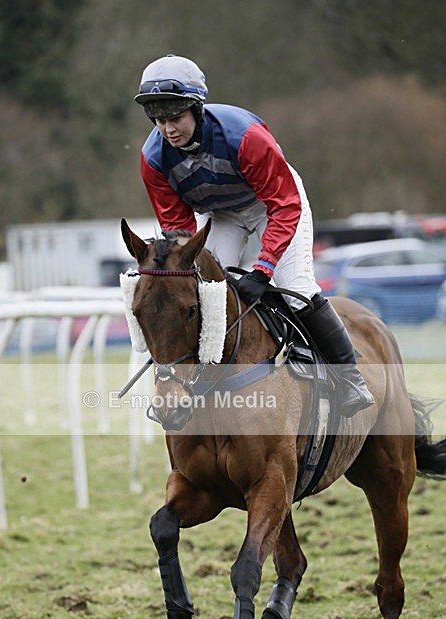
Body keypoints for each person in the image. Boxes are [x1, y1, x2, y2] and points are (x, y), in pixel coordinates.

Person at [134, 54, 374, 417]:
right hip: (222, 215)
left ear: (196, 109)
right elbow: (179, 232)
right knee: (204, 292)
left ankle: (350, 377)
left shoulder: (245, 138)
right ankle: (197, 383)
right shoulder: (153, 159)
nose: (167, 129)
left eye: (175, 117)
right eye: (159, 119)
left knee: (296, 287)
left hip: (273, 205)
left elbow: (285, 206)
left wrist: (262, 270)